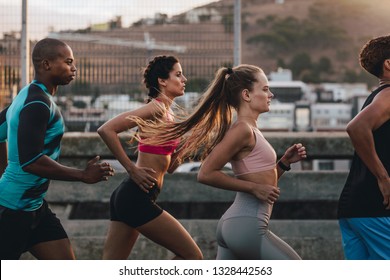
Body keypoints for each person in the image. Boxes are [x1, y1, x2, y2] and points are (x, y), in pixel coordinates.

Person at [137, 64, 307, 259]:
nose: (271, 95)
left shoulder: (250, 129)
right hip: (247, 226)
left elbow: (263, 184)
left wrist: (284, 163)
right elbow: (206, 173)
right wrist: (253, 188)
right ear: (247, 95)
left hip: (237, 225)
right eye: (265, 89)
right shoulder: (242, 130)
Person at [0, 38, 114, 260]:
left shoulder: (27, 96)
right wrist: (82, 175)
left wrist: (4, 171)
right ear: (46, 64)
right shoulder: (37, 104)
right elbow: (31, 161)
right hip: (12, 211)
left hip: (35, 208)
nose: (74, 68)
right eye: (68, 61)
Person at [97, 55, 203, 260]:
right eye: (178, 74)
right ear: (162, 81)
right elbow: (106, 129)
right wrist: (131, 168)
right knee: (193, 257)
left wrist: (191, 144)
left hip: (132, 196)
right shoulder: (157, 108)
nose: (184, 79)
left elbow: (170, 167)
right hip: (136, 196)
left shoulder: (168, 115)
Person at [337, 35, 390, 260]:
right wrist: (383, 178)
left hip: (356, 209)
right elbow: (356, 128)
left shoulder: (376, 96)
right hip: (378, 207)